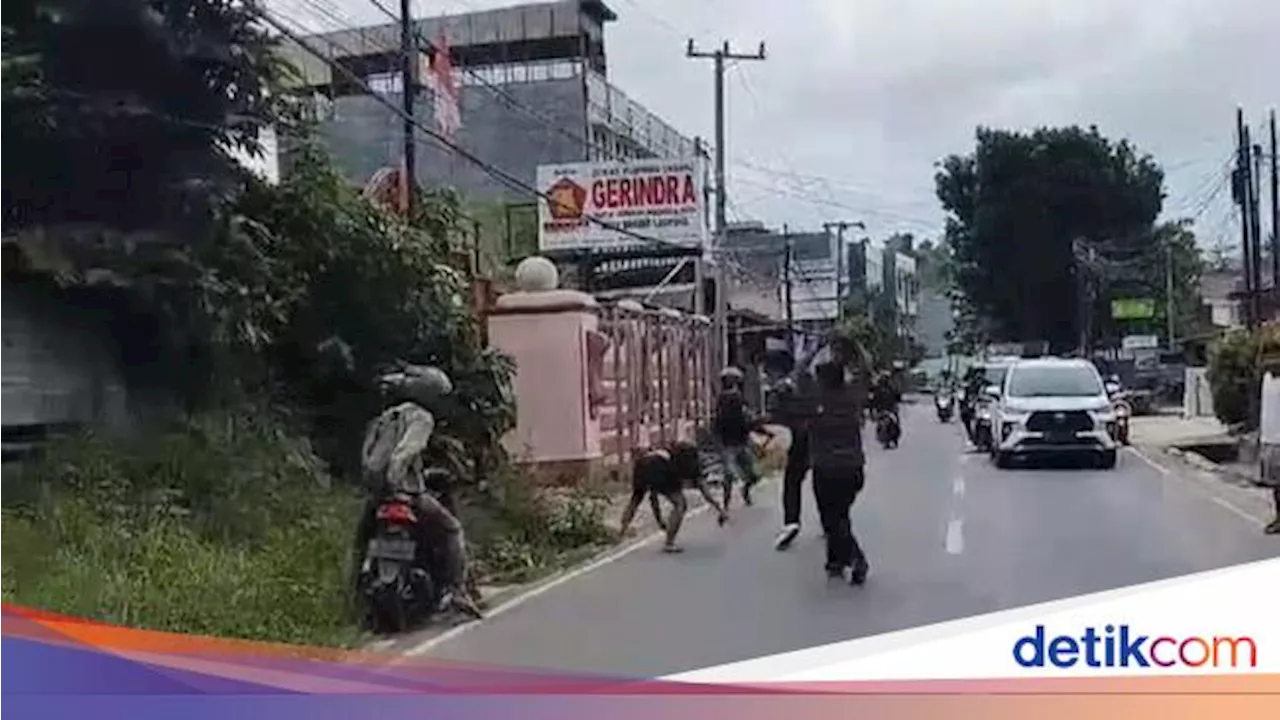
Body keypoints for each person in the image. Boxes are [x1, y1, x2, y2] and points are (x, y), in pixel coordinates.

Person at [354, 364, 482, 619]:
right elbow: (408, 450)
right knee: (452, 529)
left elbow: (367, 455)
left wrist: (377, 484)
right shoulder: (421, 417)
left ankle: (355, 596)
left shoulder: (386, 417)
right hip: (406, 493)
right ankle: (458, 591)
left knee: (361, 542)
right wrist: (396, 476)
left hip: (377, 496)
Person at [807, 360, 870, 585]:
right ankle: (835, 561)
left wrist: (813, 350)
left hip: (827, 468)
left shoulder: (815, 400)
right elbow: (865, 368)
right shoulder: (852, 397)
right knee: (839, 515)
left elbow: (797, 374)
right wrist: (850, 344)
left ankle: (856, 558)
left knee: (833, 518)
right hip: (853, 468)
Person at [618, 440, 728, 552]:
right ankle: (669, 543)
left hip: (642, 466)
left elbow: (653, 495)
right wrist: (720, 510)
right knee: (680, 504)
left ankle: (620, 533)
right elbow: (706, 493)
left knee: (635, 500)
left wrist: (659, 519)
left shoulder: (669, 454)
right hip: (661, 471)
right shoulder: (691, 463)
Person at [713, 366, 775, 508]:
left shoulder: (729, 400)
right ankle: (728, 503)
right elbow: (747, 421)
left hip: (739, 441)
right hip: (732, 443)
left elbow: (746, 420)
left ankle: (736, 497)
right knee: (732, 475)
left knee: (749, 475)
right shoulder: (730, 399)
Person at [770, 370, 818, 551]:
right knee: (821, 488)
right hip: (813, 450)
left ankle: (791, 521)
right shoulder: (808, 404)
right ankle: (829, 523)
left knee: (791, 486)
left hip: (796, 452)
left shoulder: (781, 412)